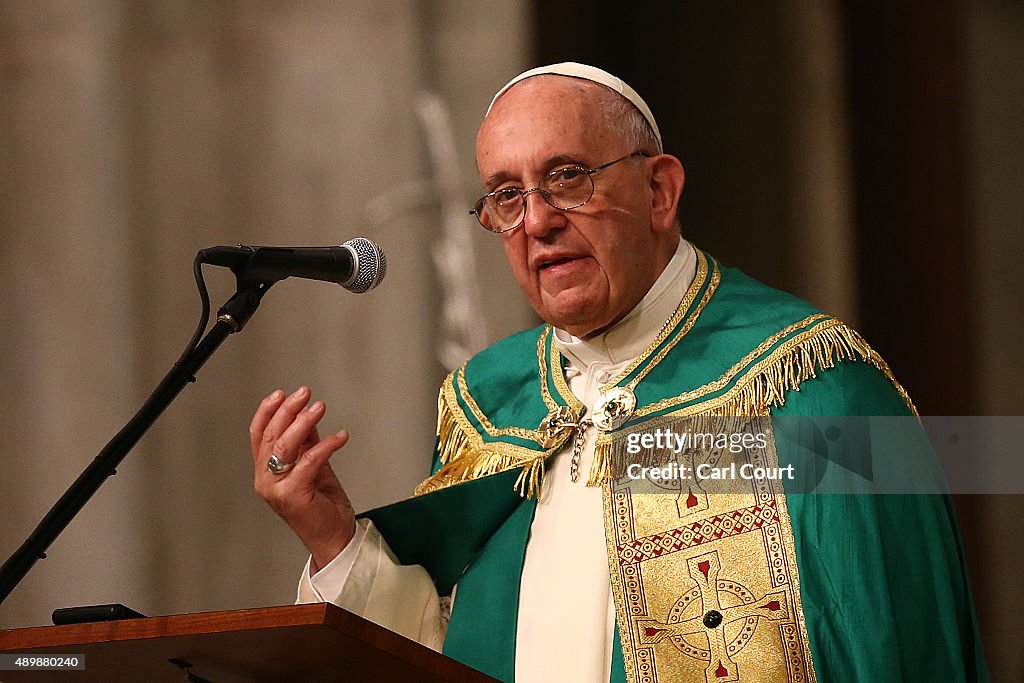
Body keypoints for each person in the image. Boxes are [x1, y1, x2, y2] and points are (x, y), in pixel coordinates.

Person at [249, 63, 987, 682]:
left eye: (566, 177)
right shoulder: (492, 403)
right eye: (506, 195)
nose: (536, 221)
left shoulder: (812, 386)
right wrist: (337, 543)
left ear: (660, 191)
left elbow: (891, 637)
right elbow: (447, 647)